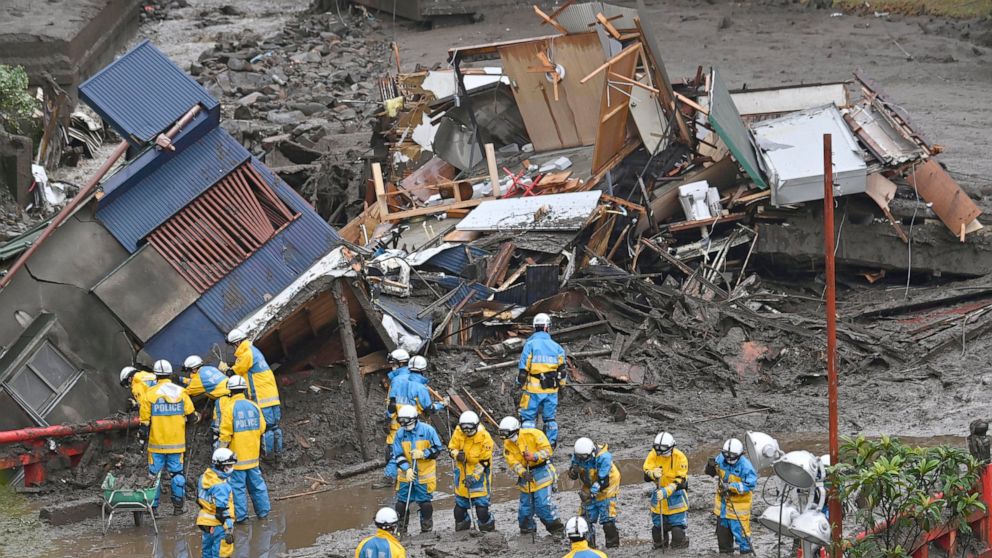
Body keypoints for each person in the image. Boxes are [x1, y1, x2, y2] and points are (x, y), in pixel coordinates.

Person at [139, 359, 194, 515]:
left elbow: (144, 423)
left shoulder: (149, 394)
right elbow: (192, 417)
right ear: (170, 374)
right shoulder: (181, 392)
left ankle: (153, 509)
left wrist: (141, 440)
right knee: (177, 475)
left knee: (153, 476)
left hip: (156, 444)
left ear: (156, 376)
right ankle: (178, 507)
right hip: (177, 444)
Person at [498, 415, 564, 537]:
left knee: (543, 505)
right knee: (525, 509)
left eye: (511, 435)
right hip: (526, 476)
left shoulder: (534, 434)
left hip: (542, 472)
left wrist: (534, 456)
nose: (509, 439)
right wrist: (522, 472)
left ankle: (557, 530)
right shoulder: (507, 444)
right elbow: (513, 463)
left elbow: (548, 450)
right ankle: (527, 530)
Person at [217, 374, 270, 523]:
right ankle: (263, 514)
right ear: (244, 390)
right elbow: (262, 428)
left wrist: (219, 455)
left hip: (236, 459)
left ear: (230, 391)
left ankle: (242, 518)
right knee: (258, 486)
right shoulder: (254, 406)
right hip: (253, 457)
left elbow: (225, 435)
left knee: (238, 489)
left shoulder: (229, 408)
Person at [227, 328, 283, 463]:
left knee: (267, 428)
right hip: (272, 395)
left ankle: (268, 456)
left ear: (237, 342)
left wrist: (227, 369)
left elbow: (236, 371)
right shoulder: (254, 350)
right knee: (275, 427)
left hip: (261, 396)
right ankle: (279, 455)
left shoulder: (246, 354)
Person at [388, 405, 444, 533]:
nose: (403, 424)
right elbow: (397, 454)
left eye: (406, 421)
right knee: (401, 503)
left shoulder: (428, 430)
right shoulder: (400, 434)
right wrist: (406, 469)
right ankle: (401, 528)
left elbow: (437, 450)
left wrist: (424, 453)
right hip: (405, 476)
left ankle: (426, 527)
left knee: (425, 503)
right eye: (401, 421)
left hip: (424, 476)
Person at [517, 313, 566, 448]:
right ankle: (549, 446)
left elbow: (523, 371)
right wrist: (562, 386)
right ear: (547, 328)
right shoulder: (557, 347)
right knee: (550, 419)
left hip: (533, 390)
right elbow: (562, 371)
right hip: (551, 390)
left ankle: (528, 445)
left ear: (535, 327)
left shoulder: (530, 345)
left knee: (528, 418)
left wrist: (519, 384)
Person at [705, 438, 757, 555]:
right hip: (722, 508)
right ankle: (725, 553)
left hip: (738, 510)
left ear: (739, 455)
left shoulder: (746, 467)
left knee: (743, 538)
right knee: (723, 539)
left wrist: (731, 487)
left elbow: (750, 485)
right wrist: (710, 467)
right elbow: (713, 473)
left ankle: (746, 554)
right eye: (726, 456)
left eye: (732, 457)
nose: (728, 459)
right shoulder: (721, 458)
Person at [569, 437, 621, 548]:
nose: (581, 459)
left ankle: (613, 545)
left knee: (607, 519)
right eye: (579, 457)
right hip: (589, 481)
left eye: (584, 457)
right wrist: (573, 472)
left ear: (591, 453)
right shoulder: (578, 455)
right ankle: (589, 546)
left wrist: (591, 494)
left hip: (608, 484)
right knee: (585, 518)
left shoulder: (604, 458)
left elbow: (603, 481)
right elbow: (573, 470)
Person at [448, 411, 495, 532]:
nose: (467, 431)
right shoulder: (458, 432)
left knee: (482, 511)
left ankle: (487, 528)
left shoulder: (485, 437)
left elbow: (485, 462)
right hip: (462, 473)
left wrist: (474, 477)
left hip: (479, 475)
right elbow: (451, 448)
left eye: (470, 428)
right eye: (464, 428)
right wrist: (457, 455)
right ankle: (463, 529)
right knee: (458, 511)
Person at [642, 431, 689, 549]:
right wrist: (652, 474)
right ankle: (659, 547)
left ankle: (680, 546)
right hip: (659, 496)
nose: (661, 454)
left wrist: (667, 491)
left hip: (676, 497)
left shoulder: (680, 457)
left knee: (677, 531)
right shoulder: (653, 454)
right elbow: (646, 474)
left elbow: (681, 481)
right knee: (658, 530)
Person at [196, 448, 236, 558]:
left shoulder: (205, 477)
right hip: (219, 525)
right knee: (221, 553)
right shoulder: (221, 486)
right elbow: (221, 512)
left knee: (207, 551)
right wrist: (228, 528)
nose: (232, 468)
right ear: (221, 466)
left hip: (205, 522)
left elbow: (198, 499)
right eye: (230, 465)